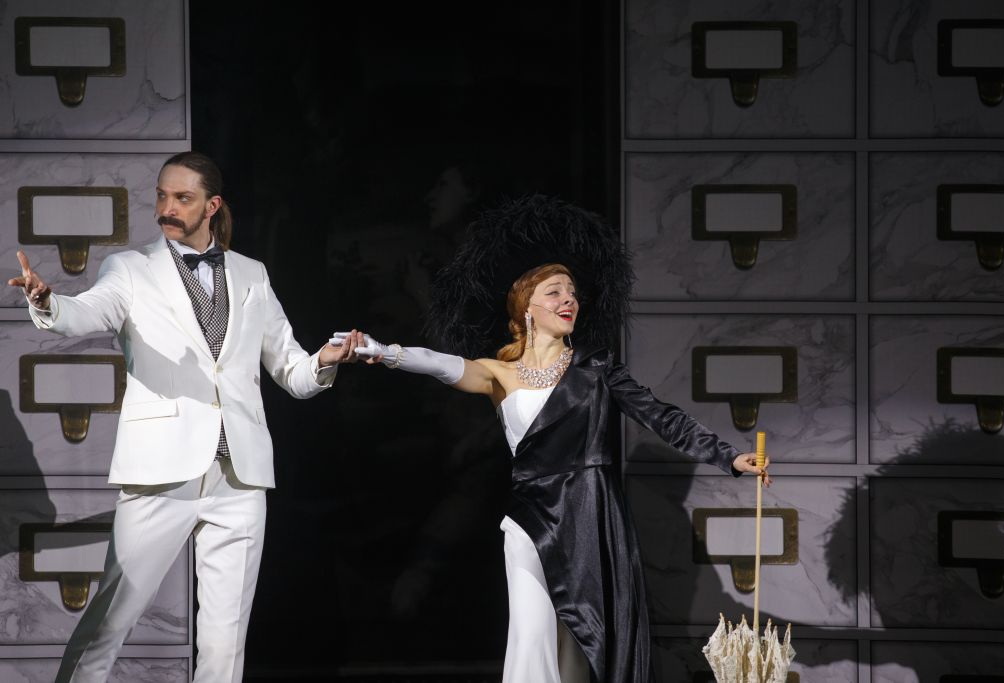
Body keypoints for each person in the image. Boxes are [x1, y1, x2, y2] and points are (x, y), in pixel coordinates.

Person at [330, 196, 769, 683]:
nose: (568, 300)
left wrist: (728, 457)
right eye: (555, 292)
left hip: (591, 517)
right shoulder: (499, 373)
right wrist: (384, 352)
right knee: (532, 634)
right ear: (527, 307)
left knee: (586, 644)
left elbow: (661, 416)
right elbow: (441, 364)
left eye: (573, 293)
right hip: (532, 520)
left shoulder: (596, 368)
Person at [7, 151, 364, 683]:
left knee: (226, 641)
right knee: (110, 621)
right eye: (161, 195)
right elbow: (87, 311)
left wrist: (325, 362)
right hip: (161, 471)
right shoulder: (130, 269)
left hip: (239, 477)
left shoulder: (252, 274)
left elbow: (290, 370)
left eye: (182, 198)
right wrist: (48, 303)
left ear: (211, 206)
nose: (166, 208)